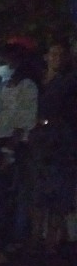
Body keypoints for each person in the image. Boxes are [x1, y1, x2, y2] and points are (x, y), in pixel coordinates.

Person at [0, 43, 39, 262]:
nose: (1, 65)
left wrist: (9, 151)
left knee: (5, 195)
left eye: (5, 61)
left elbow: (24, 122)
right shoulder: (1, 84)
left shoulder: (26, 86)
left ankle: (4, 245)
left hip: (10, 144)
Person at [25, 40, 77, 254]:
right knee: (37, 189)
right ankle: (36, 235)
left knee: (58, 190)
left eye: (61, 54)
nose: (57, 58)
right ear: (46, 56)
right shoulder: (36, 80)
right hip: (39, 139)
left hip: (60, 141)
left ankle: (51, 239)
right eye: (53, 54)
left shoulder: (69, 81)